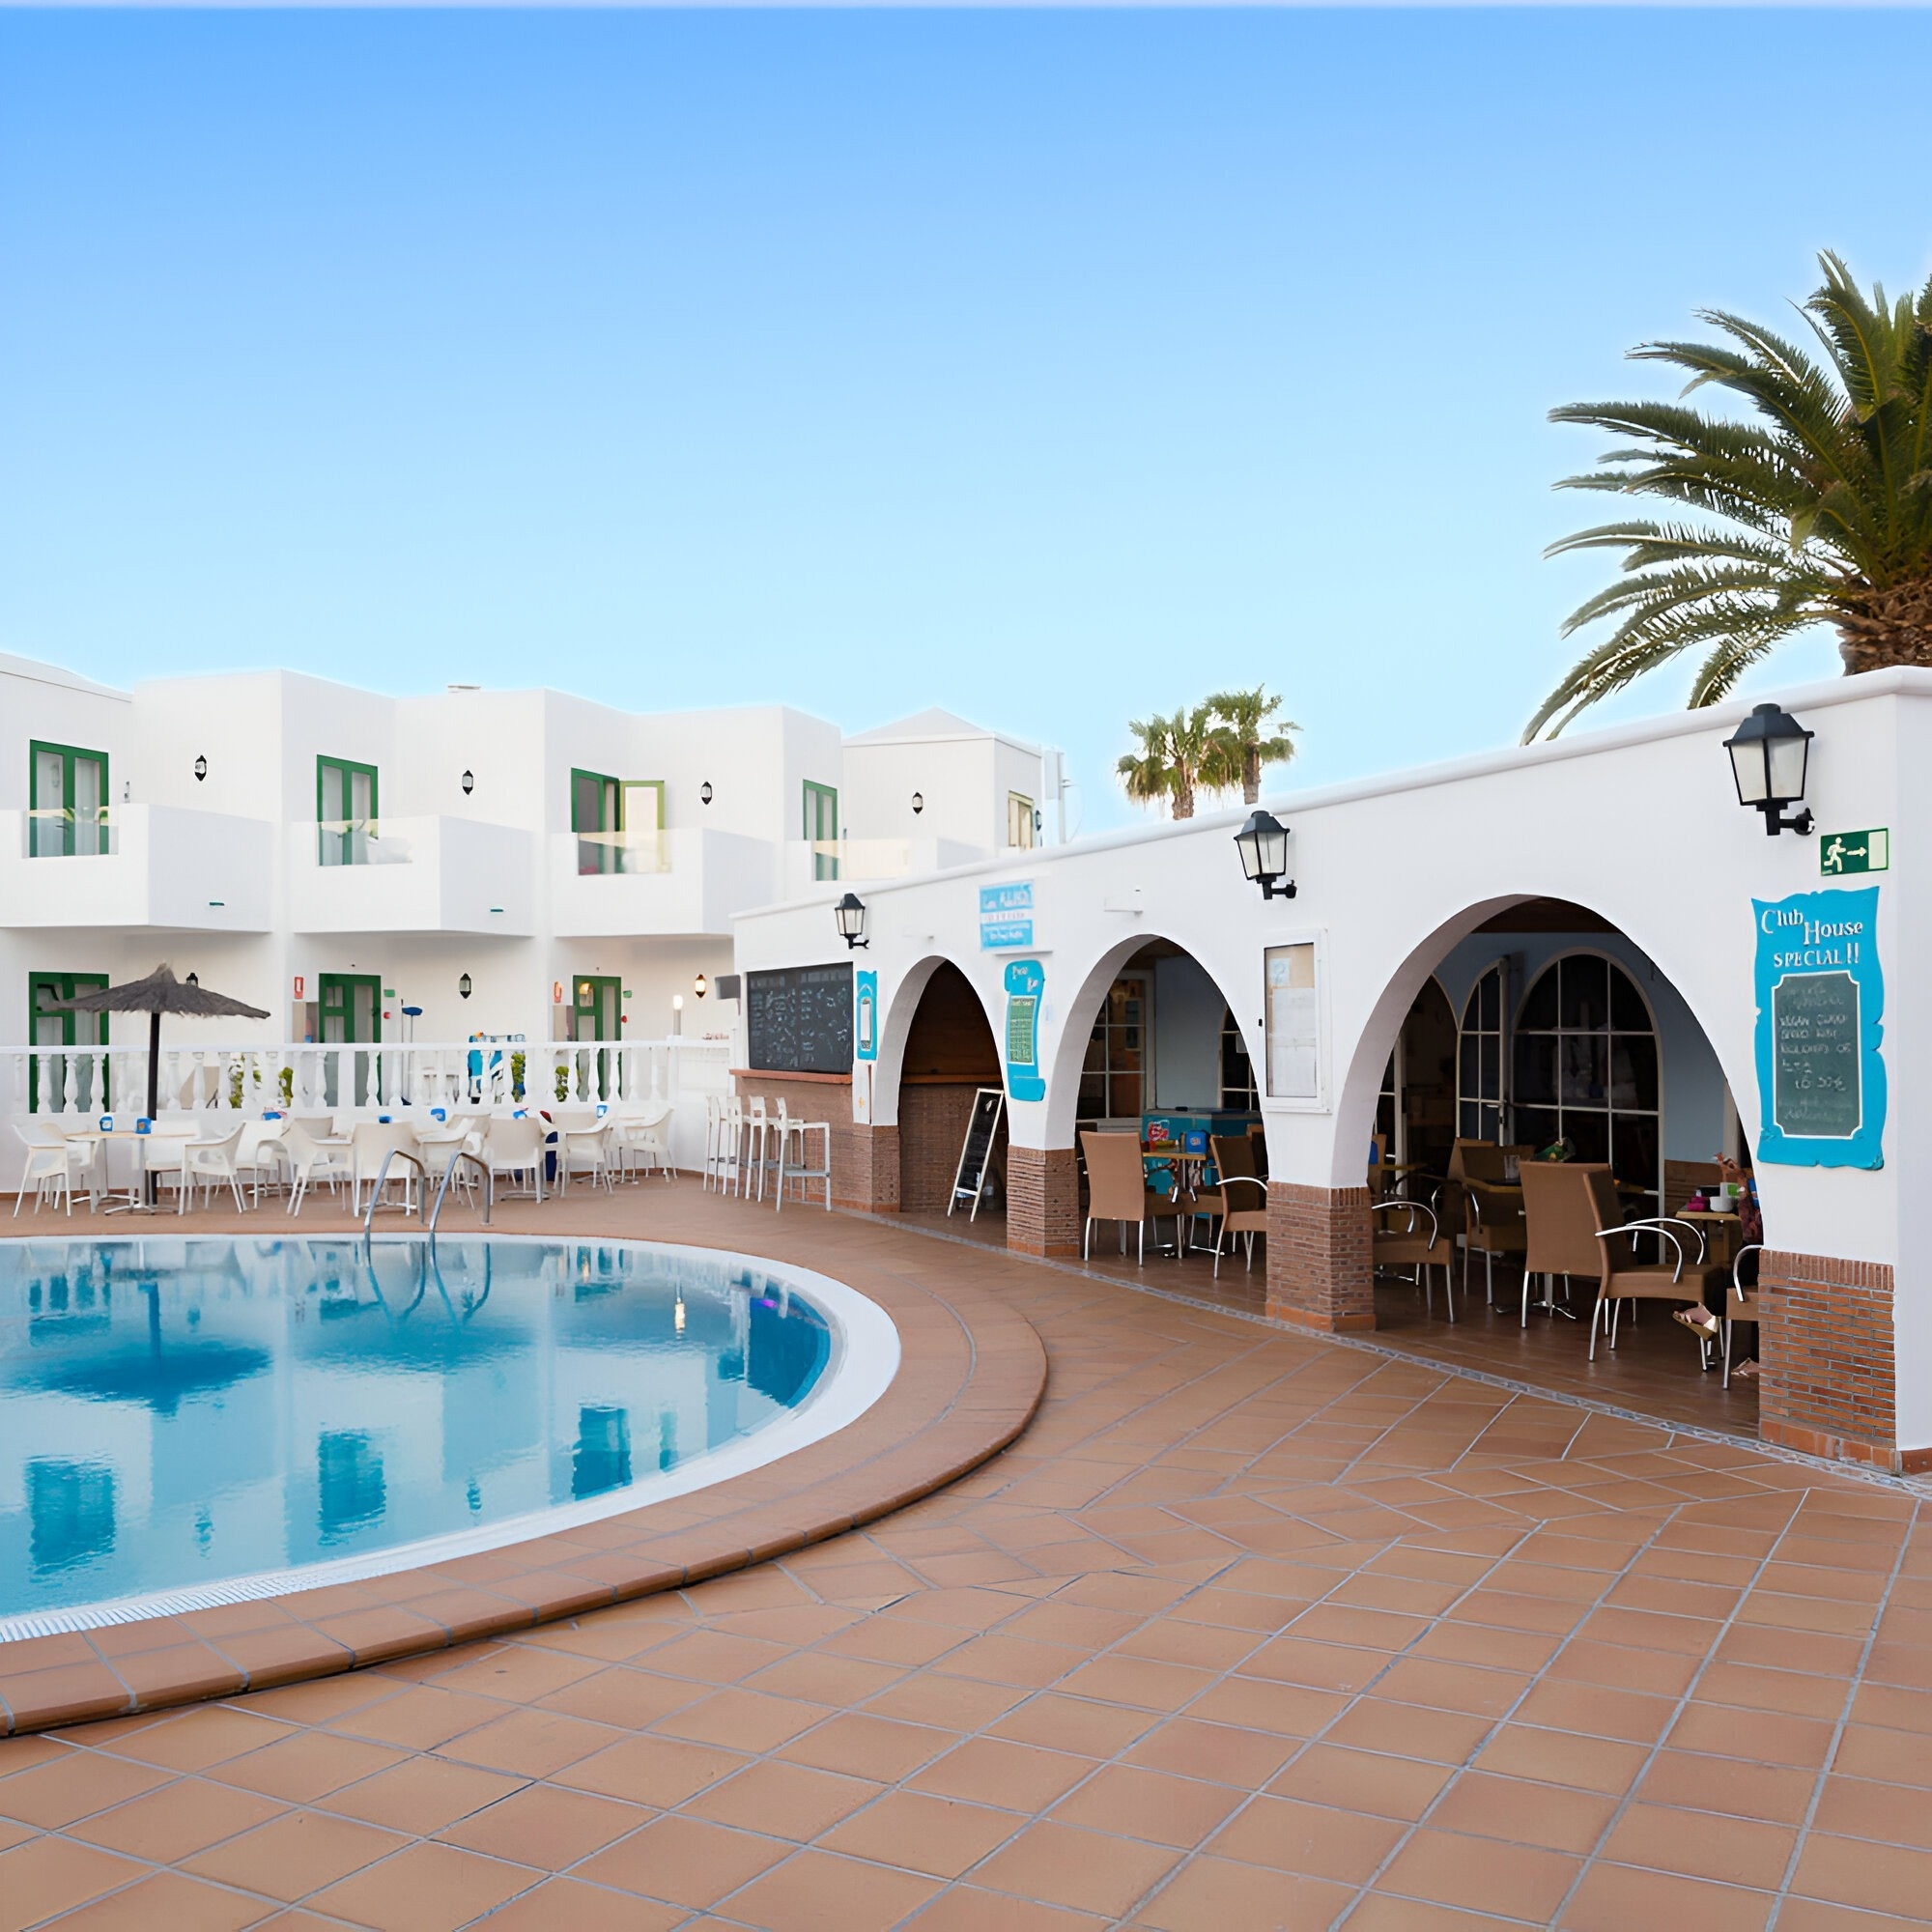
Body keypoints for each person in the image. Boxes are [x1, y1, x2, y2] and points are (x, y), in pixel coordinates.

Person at [1672, 1151, 1761, 1378]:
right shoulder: (1762, 1186)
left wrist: (1741, 1180)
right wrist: (1738, 1178)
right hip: (1758, 1255)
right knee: (1742, 1263)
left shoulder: (1773, 1190)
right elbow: (1749, 1219)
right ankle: (1709, 1313)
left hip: (1770, 1260)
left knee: (1747, 1258)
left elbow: (1752, 1230)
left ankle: (1709, 1314)